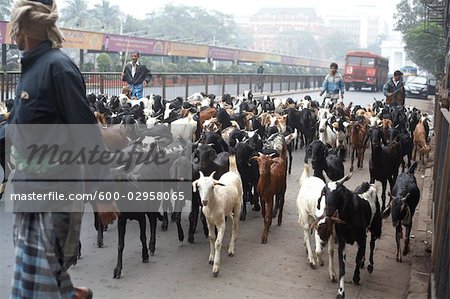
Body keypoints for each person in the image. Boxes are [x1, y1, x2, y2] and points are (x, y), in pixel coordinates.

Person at [8, 0, 118, 298]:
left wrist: (104, 195)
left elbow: (87, 135)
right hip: (28, 195)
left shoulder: (58, 69)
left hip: (56, 196)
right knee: (36, 281)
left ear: (22, 27)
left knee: (35, 287)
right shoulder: (30, 68)